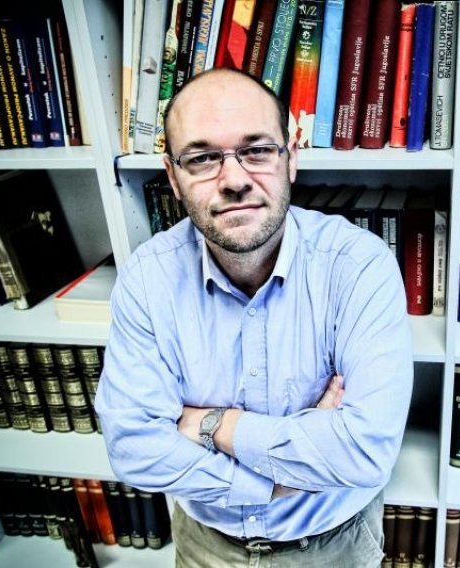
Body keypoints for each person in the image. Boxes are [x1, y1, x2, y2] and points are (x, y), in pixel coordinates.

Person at [95, 68, 414, 567]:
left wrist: (211, 423)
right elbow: (134, 447)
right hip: (205, 545)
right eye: (202, 158)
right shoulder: (147, 278)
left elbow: (365, 452)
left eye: (258, 150)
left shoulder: (358, 266)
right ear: (173, 177)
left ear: (291, 157)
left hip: (334, 547)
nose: (235, 180)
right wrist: (272, 482)